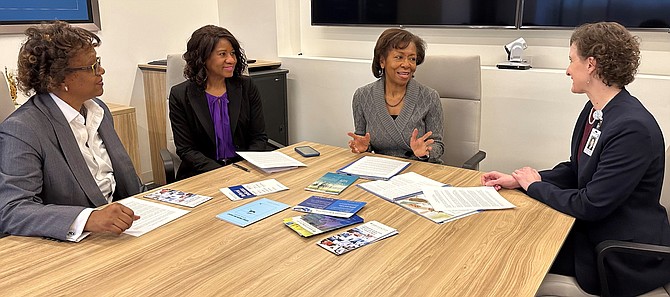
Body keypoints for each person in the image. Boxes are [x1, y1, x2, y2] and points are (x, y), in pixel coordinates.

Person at [481, 22, 670, 296]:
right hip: (595, 230)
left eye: (572, 60)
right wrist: (520, 180)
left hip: (618, 254)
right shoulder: (597, 110)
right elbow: (575, 169)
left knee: (512, 253)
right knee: (509, 239)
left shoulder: (632, 128)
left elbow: (591, 204)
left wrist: (535, 187)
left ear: (590, 64)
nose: (568, 70)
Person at [0, 21, 142, 241]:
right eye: (92, 66)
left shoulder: (98, 110)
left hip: (125, 229)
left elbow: (124, 181)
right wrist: (87, 218)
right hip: (76, 246)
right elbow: (12, 210)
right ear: (59, 78)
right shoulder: (23, 129)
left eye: (98, 63)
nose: (101, 70)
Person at [169, 25, 267, 180]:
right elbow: (186, 150)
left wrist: (244, 168)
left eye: (233, 53)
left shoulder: (247, 87)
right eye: (223, 54)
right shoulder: (180, 95)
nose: (231, 60)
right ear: (202, 58)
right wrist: (223, 174)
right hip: (202, 175)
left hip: (245, 171)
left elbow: (259, 138)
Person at [347, 28, 444, 163]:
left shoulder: (430, 97)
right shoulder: (362, 96)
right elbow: (363, 139)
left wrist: (425, 152)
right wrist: (364, 148)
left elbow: (438, 145)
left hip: (421, 169)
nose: (406, 64)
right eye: (399, 57)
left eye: (412, 59)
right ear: (382, 61)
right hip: (381, 169)